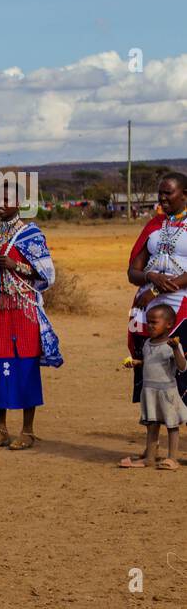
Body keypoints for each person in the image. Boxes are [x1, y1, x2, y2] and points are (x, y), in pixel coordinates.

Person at [0, 187, 63, 451]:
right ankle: (0, 428)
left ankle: (28, 430)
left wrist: (16, 265)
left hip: (23, 310)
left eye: (6, 201)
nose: (0, 206)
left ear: (19, 203)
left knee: (25, 367)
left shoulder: (31, 234)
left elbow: (47, 275)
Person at [127, 172, 187, 411]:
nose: (162, 198)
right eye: (159, 193)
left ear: (184, 195)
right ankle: (153, 428)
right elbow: (133, 272)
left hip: (182, 302)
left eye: (167, 193)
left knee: (179, 359)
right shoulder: (153, 225)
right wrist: (150, 277)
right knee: (149, 361)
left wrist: (156, 288)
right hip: (147, 305)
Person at [122, 304, 187, 469]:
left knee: (172, 426)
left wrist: (175, 350)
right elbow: (151, 362)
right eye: (148, 322)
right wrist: (137, 363)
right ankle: (149, 458)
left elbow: (182, 366)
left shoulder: (172, 345)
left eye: (154, 322)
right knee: (152, 425)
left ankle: (172, 458)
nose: (149, 326)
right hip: (150, 391)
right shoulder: (147, 343)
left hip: (167, 392)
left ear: (169, 325)